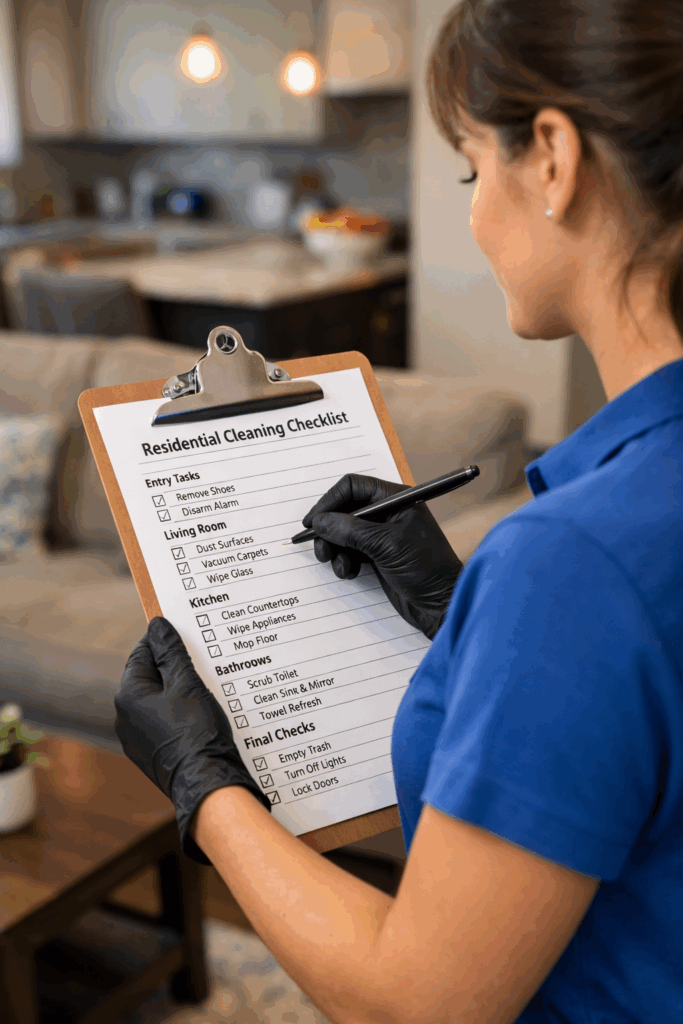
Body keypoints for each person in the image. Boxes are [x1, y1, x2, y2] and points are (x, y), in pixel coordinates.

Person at [114, 2, 683, 1020]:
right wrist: (470, 621)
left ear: (549, 157)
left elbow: (416, 1001)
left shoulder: (576, 562)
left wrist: (205, 785)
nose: (471, 211)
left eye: (470, 168)